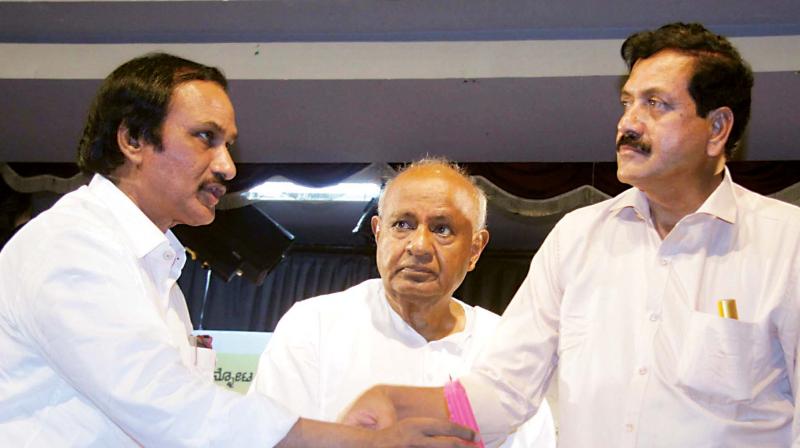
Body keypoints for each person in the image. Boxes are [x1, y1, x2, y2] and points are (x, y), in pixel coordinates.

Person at [343, 22, 800, 447]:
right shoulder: (577, 238)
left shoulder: (787, 244)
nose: (628, 123)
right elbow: (502, 391)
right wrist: (398, 404)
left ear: (717, 128)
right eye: (627, 102)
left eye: (655, 104)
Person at [0, 53, 476, 447]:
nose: (227, 166)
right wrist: (366, 442)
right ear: (132, 139)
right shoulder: (70, 243)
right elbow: (172, 410)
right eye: (205, 138)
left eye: (227, 144)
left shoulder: (150, 267)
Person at [249, 159, 556, 447]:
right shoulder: (313, 325)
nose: (419, 246)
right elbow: (266, 439)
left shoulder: (507, 345)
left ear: (475, 249)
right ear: (378, 233)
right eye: (403, 225)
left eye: (442, 229)